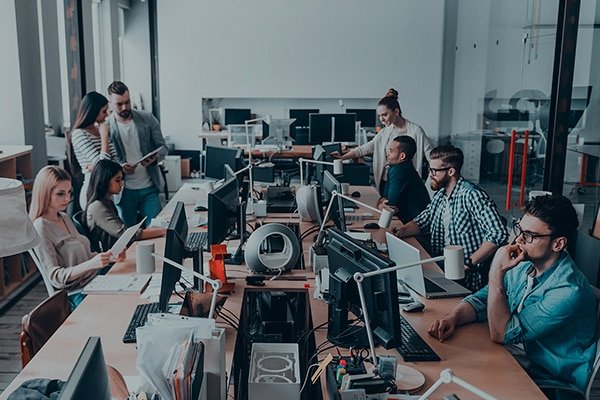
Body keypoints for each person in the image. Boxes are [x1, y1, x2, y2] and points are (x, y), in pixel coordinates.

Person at [428, 195, 598, 395]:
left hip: (549, 380)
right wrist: (453, 317)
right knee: (450, 366)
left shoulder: (568, 292)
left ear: (558, 244)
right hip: (517, 356)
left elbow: (501, 333)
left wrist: (496, 271)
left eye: (529, 235)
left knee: (459, 381)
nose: (518, 240)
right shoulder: (525, 264)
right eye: (519, 230)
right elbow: (484, 299)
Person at [394, 145, 507, 291]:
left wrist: (468, 262)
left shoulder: (472, 195)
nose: (430, 175)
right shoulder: (441, 195)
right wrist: (399, 232)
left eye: (434, 171)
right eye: (430, 169)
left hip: (464, 276)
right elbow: (423, 221)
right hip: (440, 267)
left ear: (451, 171)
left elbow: (498, 232)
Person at [29, 166, 124, 309]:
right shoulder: (41, 227)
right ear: (44, 193)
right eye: (60, 194)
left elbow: (86, 256)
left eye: (69, 192)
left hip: (95, 280)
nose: (67, 199)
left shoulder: (63, 217)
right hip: (77, 293)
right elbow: (56, 278)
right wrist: (92, 264)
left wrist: (109, 257)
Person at [336, 88, 433, 194]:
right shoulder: (386, 131)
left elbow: (431, 156)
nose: (381, 119)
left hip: (406, 182)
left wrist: (431, 181)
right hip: (386, 180)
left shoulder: (416, 131)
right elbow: (366, 148)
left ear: (396, 112)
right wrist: (343, 157)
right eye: (379, 116)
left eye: (384, 115)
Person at [106, 81, 168, 227]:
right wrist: (121, 168)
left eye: (127, 102)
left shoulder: (147, 118)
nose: (125, 107)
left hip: (149, 186)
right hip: (123, 191)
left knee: (156, 228)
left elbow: (163, 148)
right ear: (110, 103)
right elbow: (106, 160)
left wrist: (154, 159)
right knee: (128, 234)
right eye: (119, 104)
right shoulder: (106, 127)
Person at [86, 159, 167, 252]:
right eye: (117, 180)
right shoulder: (97, 207)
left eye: (121, 180)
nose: (121, 184)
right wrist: (163, 231)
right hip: (110, 255)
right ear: (104, 181)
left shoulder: (107, 201)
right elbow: (126, 235)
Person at [68, 91, 118, 210]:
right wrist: (104, 136)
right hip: (92, 191)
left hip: (107, 190)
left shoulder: (99, 129)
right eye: (104, 111)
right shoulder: (79, 134)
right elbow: (103, 164)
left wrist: (98, 165)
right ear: (93, 111)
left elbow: (115, 160)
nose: (106, 116)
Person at [377, 136, 430, 223]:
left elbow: (390, 206)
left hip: (415, 224)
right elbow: (385, 197)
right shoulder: (395, 168)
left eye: (391, 151)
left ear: (402, 156)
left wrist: (382, 205)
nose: (387, 154)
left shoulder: (400, 171)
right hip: (406, 220)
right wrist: (382, 203)